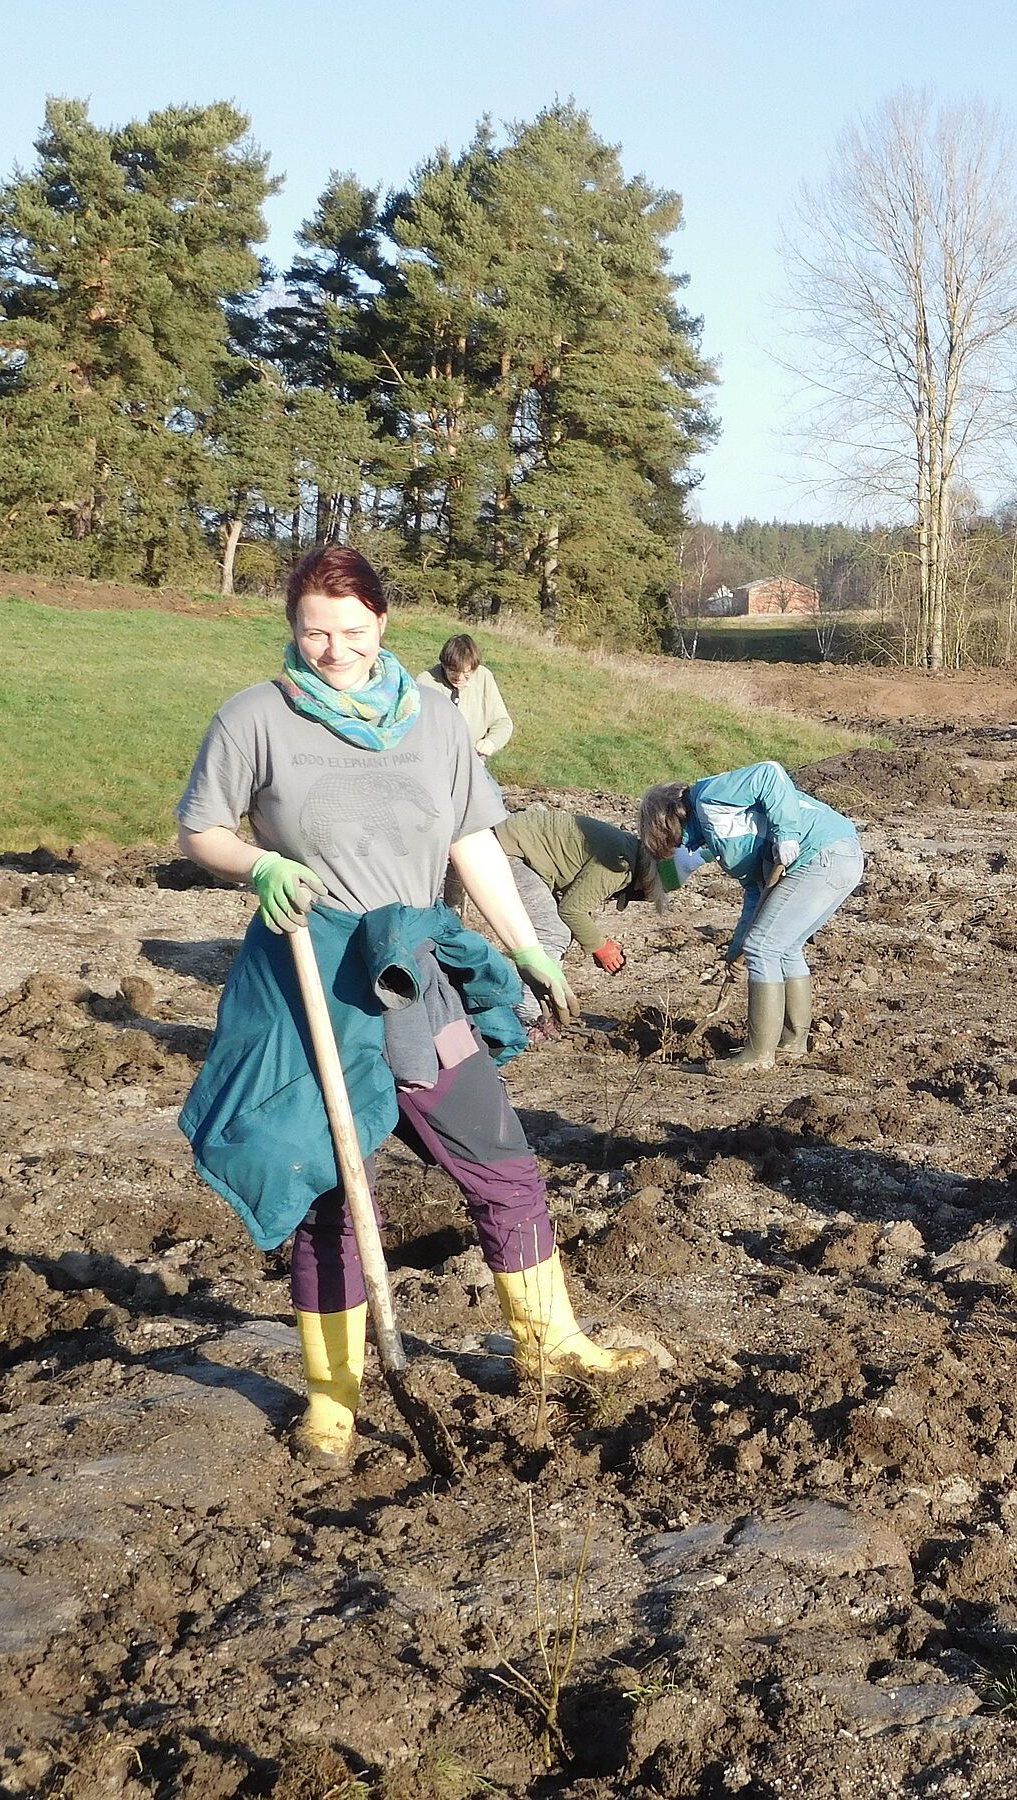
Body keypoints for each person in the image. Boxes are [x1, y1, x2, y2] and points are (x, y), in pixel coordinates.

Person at [176, 545, 652, 1470]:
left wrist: (523, 947)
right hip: (311, 978)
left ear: (383, 624)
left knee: (502, 1162)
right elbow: (201, 828)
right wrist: (257, 862)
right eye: (314, 631)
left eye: (352, 631)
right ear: (292, 626)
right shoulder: (255, 719)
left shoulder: (434, 718)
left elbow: (474, 839)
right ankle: (334, 1400)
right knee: (328, 1192)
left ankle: (550, 1346)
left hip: (412, 977)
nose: (334, 649)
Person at [639, 761, 864, 1072]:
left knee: (764, 948)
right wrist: (736, 951)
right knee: (784, 948)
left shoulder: (709, 797)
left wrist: (787, 835)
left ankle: (758, 1055)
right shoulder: (715, 837)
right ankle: (792, 1043)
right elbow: (757, 896)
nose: (676, 848)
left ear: (667, 822)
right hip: (839, 856)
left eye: (668, 842)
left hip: (823, 854)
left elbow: (769, 773)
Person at [494, 805, 653, 979]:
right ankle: (532, 1004)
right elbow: (571, 910)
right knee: (553, 933)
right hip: (509, 849)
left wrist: (597, 944)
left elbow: (578, 898)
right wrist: (600, 947)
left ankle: (543, 994)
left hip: (518, 846)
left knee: (560, 932)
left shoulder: (630, 851)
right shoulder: (620, 864)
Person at [419, 633, 514, 759]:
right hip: (434, 759)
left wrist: (491, 742)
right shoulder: (425, 682)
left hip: (473, 760)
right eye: (453, 671)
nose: (459, 678)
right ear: (443, 664)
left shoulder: (484, 677)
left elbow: (503, 722)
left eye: (467, 674)